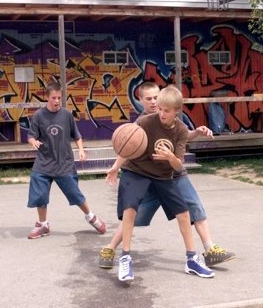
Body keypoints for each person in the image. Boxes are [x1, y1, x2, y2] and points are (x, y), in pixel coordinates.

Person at [99, 82, 235, 269]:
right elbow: (127, 147)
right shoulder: (143, 122)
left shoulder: (172, 118)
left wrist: (197, 132)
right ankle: (111, 247)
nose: (154, 103)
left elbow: (183, 135)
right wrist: (115, 166)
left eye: (156, 97)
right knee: (134, 214)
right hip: (145, 173)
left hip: (170, 173)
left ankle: (209, 249)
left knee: (192, 206)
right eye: (150, 99)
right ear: (140, 101)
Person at [26, 82, 106, 239]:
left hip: (64, 163)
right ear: (47, 98)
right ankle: (43, 225)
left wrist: (81, 150)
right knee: (40, 194)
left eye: (59, 98)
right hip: (44, 162)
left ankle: (91, 216)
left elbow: (77, 136)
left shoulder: (67, 114)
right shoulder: (39, 116)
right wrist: (33, 142)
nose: (57, 101)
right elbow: (30, 135)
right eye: (53, 98)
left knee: (75, 194)